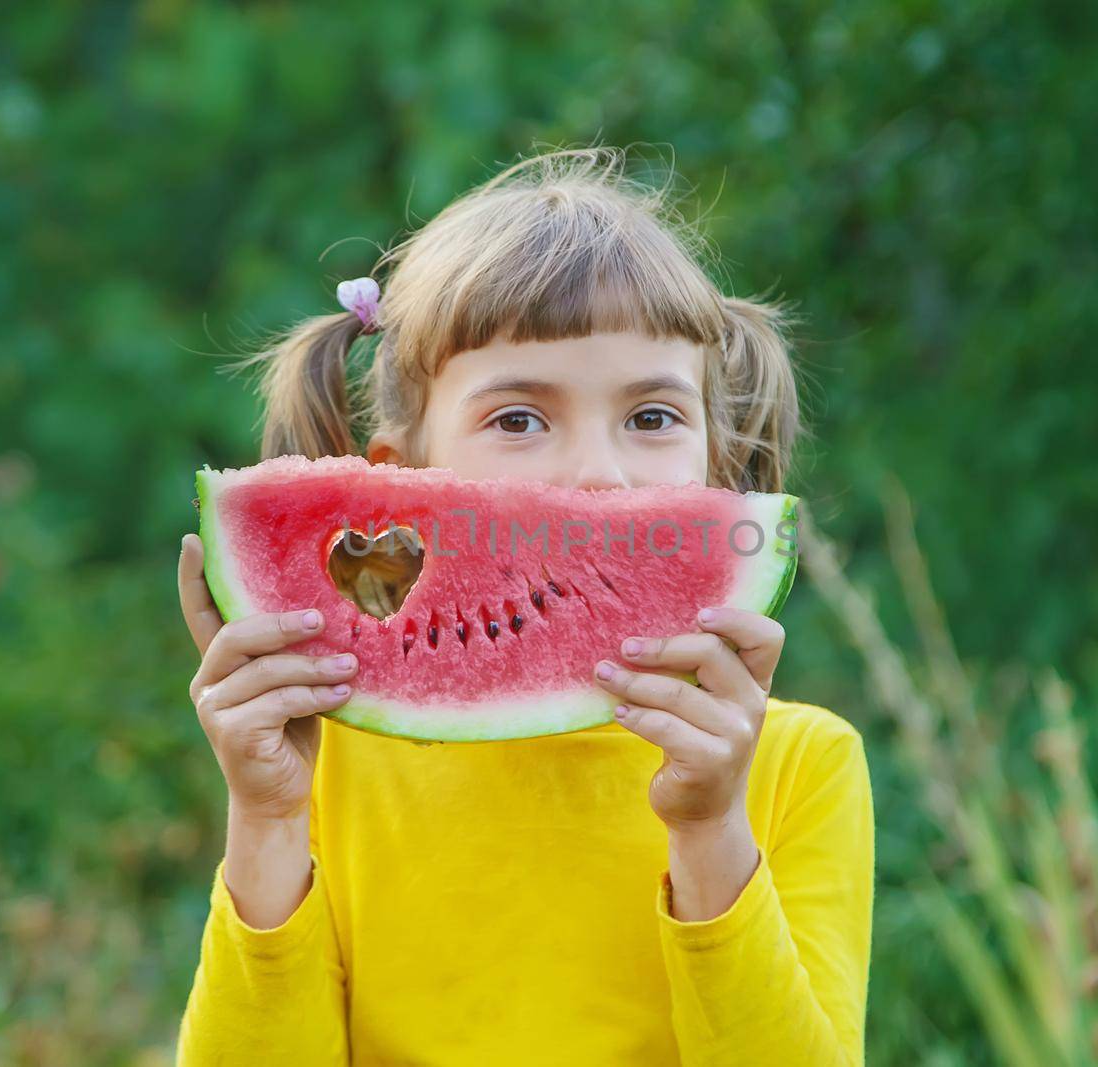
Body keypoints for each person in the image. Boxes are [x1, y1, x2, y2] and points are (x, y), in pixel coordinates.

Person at [173, 146, 874, 1065]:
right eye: (519, 418)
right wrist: (265, 823)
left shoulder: (799, 767)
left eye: (653, 416)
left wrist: (710, 828)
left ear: (714, 462)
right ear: (397, 488)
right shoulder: (326, 773)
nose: (596, 470)